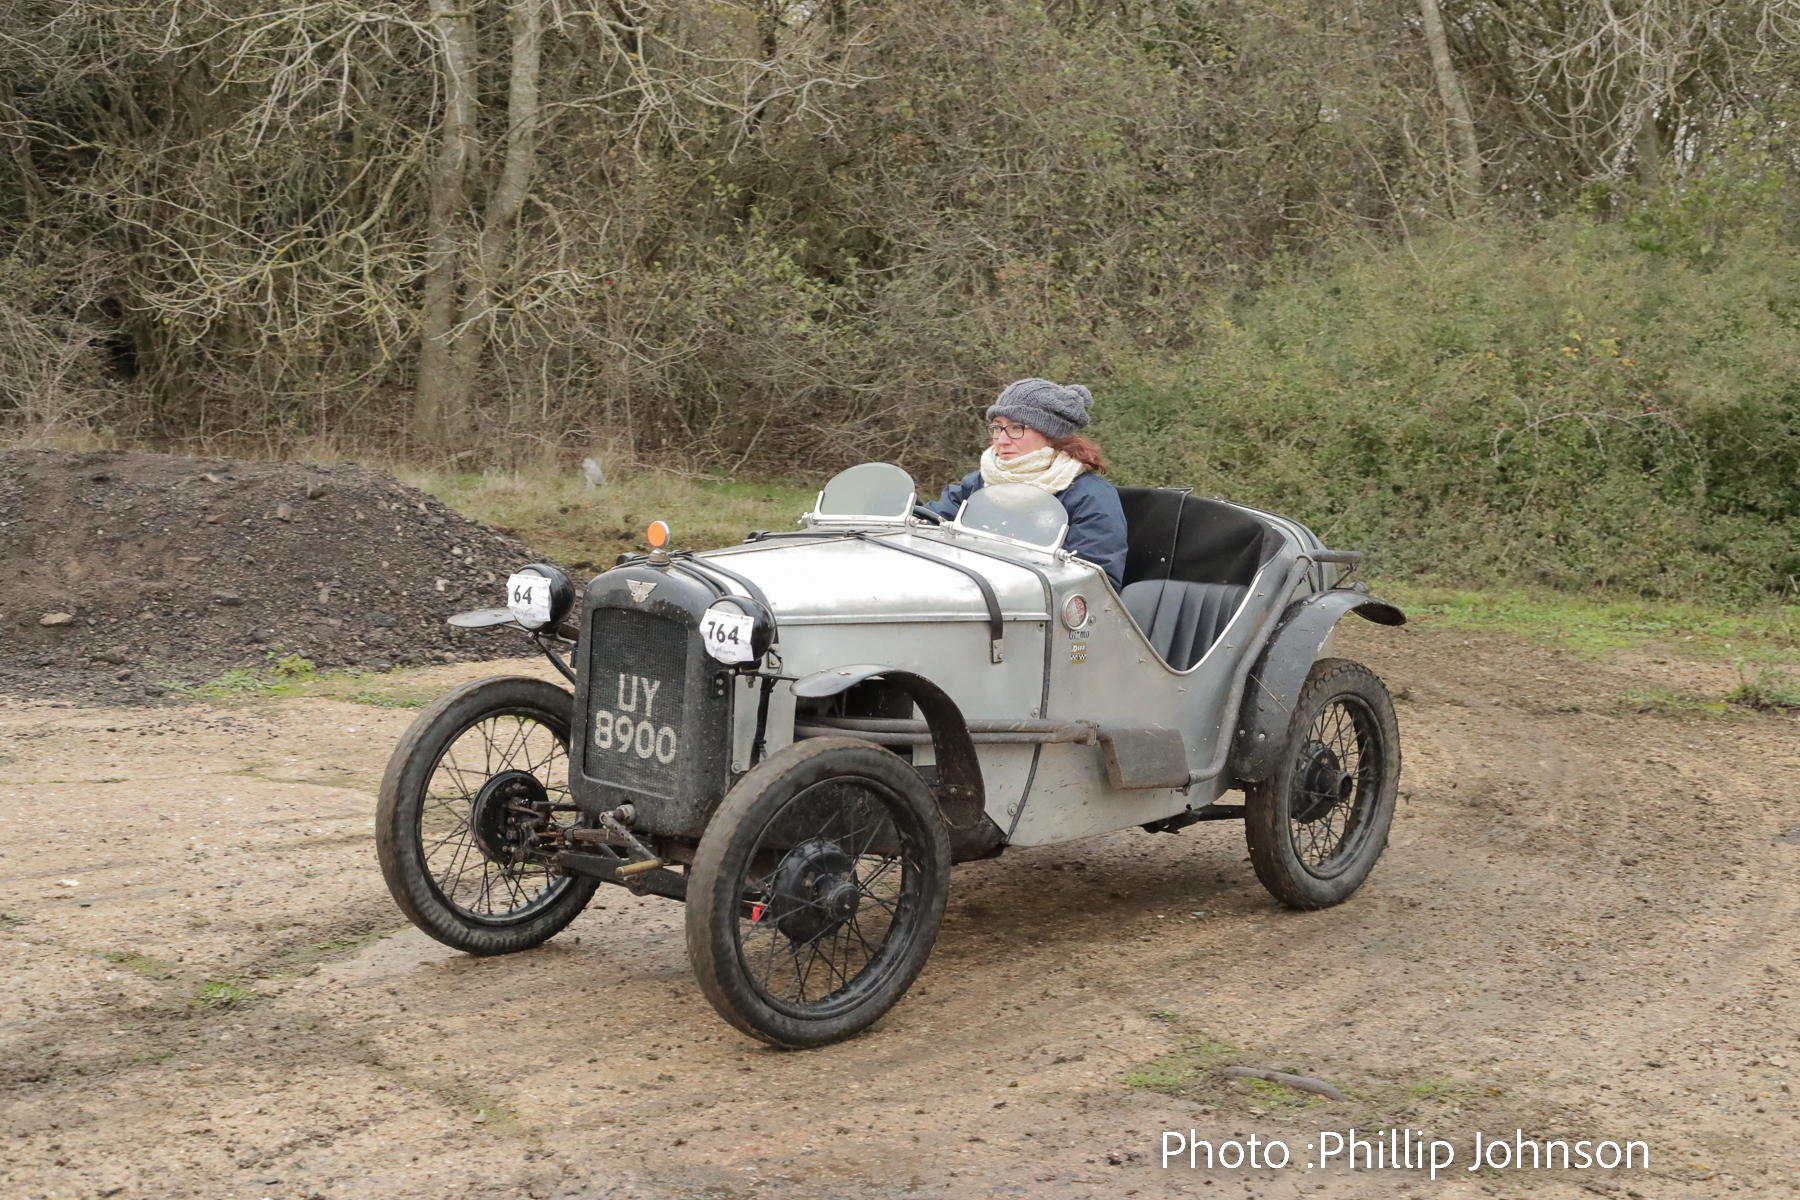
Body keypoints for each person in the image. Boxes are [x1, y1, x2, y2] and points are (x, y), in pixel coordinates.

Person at [925, 378, 1128, 591]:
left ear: (1051, 435)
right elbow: (927, 524)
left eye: (1016, 428)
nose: (1001, 440)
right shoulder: (978, 483)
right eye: (997, 428)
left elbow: (1094, 584)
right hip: (964, 593)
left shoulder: (1090, 497)